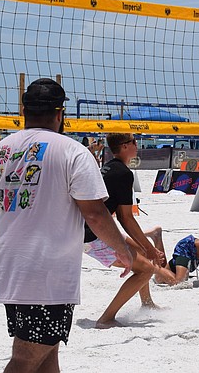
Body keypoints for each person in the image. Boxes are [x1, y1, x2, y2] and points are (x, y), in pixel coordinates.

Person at [0, 78, 133, 373]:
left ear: (24, 111)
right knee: (27, 358)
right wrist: (121, 249)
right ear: (60, 114)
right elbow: (95, 215)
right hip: (46, 273)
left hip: (9, 268)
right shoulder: (73, 152)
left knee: (46, 355)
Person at [83, 133, 166, 328]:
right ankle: (106, 319)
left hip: (94, 228)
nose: (137, 144)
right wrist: (150, 248)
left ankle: (147, 303)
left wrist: (146, 247)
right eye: (134, 141)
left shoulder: (109, 167)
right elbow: (125, 218)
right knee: (146, 269)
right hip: (93, 235)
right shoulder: (123, 174)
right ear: (125, 146)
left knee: (142, 256)